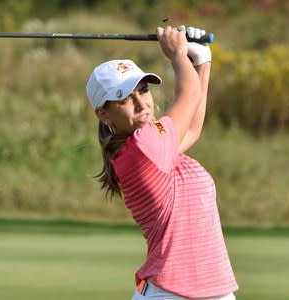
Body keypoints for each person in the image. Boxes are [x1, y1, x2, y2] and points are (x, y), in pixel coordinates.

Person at [85, 26, 239, 299]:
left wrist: (202, 59)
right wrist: (178, 55)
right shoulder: (144, 145)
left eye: (143, 90)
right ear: (103, 114)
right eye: (124, 98)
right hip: (169, 293)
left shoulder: (151, 146)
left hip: (214, 291)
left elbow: (191, 129)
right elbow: (188, 96)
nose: (141, 103)